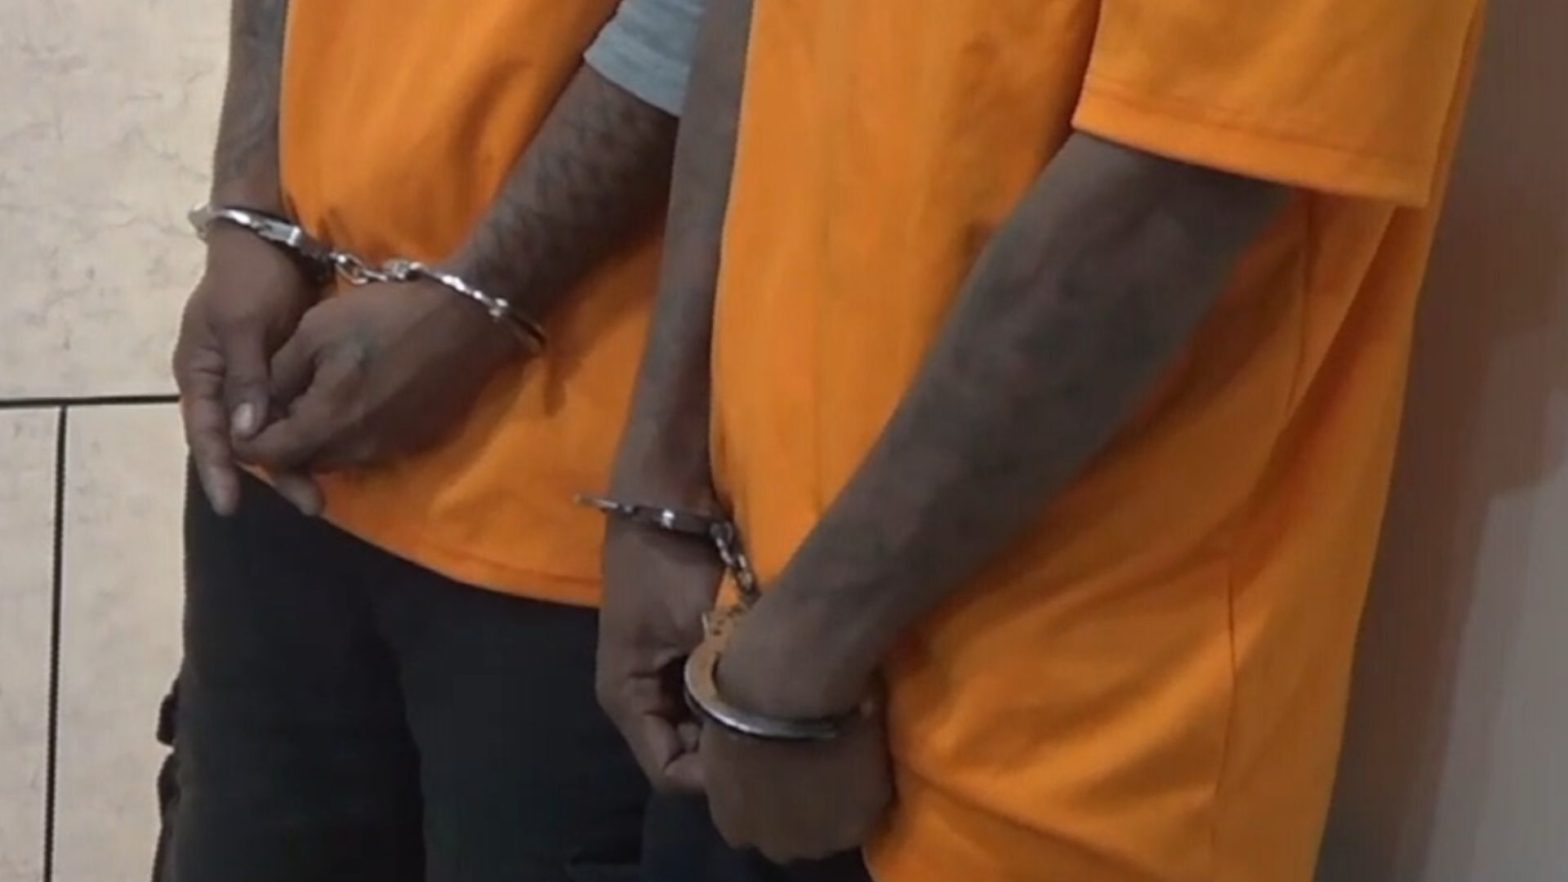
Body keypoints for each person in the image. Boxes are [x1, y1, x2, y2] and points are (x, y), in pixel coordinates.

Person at [598, 1, 1488, 880]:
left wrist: (795, 662)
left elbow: (1163, 205)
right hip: (752, 642)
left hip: (1046, 761)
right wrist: (664, 478)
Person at [162, 0, 703, 879]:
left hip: (586, 514)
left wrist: (482, 302)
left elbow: (709, 19)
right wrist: (248, 207)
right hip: (292, 424)